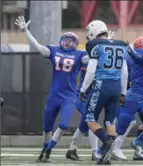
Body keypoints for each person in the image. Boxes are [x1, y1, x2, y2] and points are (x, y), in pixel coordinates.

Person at [14, 16, 89, 163]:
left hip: (68, 96)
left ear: (76, 44)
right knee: (47, 128)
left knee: (64, 125)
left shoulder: (80, 55)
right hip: (54, 95)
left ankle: (48, 151)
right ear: (61, 40)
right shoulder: (54, 50)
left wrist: (102, 43)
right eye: (65, 39)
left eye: (71, 40)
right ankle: (44, 149)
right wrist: (26, 32)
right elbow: (38, 47)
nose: (67, 42)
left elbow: (94, 58)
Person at [80, 20, 128, 165]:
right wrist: (123, 92)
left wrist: (83, 89)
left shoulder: (95, 45)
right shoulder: (121, 45)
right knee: (110, 121)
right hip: (116, 87)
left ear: (93, 32)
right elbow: (124, 72)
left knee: (90, 118)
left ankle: (106, 143)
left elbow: (91, 70)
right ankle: (106, 157)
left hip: (102, 85)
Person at [65, 31, 116, 161]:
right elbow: (90, 62)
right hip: (86, 94)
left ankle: (72, 149)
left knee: (85, 124)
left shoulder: (98, 52)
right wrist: (107, 43)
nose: (103, 40)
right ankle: (95, 152)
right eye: (101, 37)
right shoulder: (87, 55)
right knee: (91, 121)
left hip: (96, 93)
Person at [111, 36, 143, 161]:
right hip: (120, 91)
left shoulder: (131, 57)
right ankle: (112, 147)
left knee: (119, 120)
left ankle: (109, 147)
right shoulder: (133, 59)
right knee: (125, 120)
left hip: (122, 91)